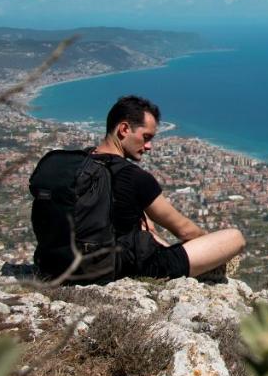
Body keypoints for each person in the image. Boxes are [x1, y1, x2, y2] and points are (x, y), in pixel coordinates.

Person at [92, 94, 245, 280]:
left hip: (64, 263)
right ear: (124, 129)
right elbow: (184, 230)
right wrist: (209, 245)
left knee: (145, 223)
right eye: (146, 137)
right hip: (121, 268)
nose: (149, 146)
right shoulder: (134, 177)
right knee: (235, 238)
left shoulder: (75, 163)